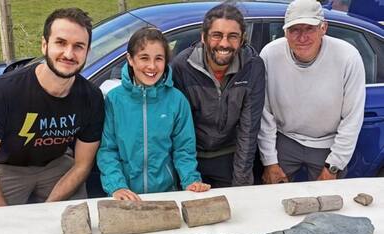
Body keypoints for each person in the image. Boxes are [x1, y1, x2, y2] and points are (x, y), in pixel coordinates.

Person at [0, 8, 104, 207]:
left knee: (75, 224)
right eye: (61, 43)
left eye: (78, 46)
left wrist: (48, 209)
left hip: (57, 164)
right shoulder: (3, 91)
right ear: (44, 45)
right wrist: (3, 215)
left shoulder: (91, 97)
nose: (68, 53)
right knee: (6, 232)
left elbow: (83, 165)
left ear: (87, 52)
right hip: (9, 167)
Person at [96, 27, 210, 201]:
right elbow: (107, 151)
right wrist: (116, 186)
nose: (151, 66)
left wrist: (191, 181)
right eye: (144, 58)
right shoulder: (114, 100)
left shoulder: (177, 100)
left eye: (159, 59)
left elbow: (184, 150)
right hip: (124, 197)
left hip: (166, 195)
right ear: (130, 59)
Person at [258, 0, 365, 183]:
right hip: (285, 139)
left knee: (328, 202)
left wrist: (334, 165)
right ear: (285, 32)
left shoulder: (348, 57)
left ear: (323, 28)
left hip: (328, 142)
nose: (302, 37)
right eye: (295, 30)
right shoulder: (269, 55)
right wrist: (270, 162)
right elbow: (264, 112)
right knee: (273, 198)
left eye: (309, 28)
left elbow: (352, 118)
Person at [171, 4, 266, 188]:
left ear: (242, 39)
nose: (224, 43)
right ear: (203, 37)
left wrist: (240, 185)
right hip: (189, 159)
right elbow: (178, 130)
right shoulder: (182, 66)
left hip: (230, 158)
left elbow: (249, 130)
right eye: (217, 35)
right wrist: (188, 177)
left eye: (233, 36)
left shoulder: (253, 67)